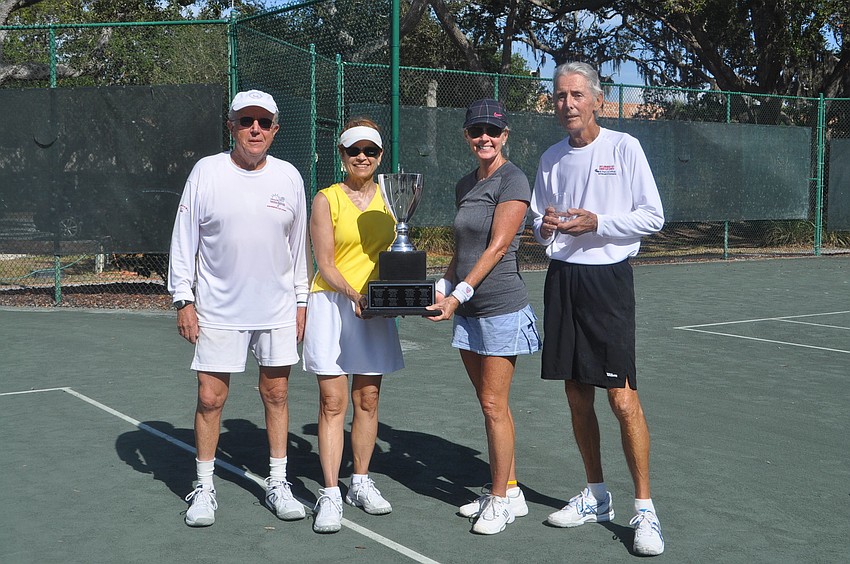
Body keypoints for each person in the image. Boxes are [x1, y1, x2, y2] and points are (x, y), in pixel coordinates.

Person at [529, 62, 666, 555]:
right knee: (576, 394)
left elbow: (653, 216)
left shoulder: (624, 147)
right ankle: (597, 494)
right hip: (563, 280)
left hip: (609, 282)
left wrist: (598, 224)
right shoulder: (549, 158)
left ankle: (645, 509)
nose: (566, 104)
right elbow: (538, 222)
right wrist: (545, 226)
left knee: (622, 399)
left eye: (576, 95)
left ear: (597, 101)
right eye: (560, 96)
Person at [168, 89, 310, 527]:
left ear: (275, 130)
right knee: (210, 398)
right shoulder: (205, 172)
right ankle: (204, 487)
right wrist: (183, 298)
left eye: (263, 122)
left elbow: (299, 246)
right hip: (217, 311)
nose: (255, 129)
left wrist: (302, 300)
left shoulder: (289, 177)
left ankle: (277, 482)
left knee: (278, 394)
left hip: (277, 309)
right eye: (246, 121)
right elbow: (183, 237)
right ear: (231, 125)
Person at [427, 99, 541, 535]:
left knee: (495, 405)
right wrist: (442, 287)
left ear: (505, 135)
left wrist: (457, 296)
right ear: (467, 136)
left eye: (492, 131)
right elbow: (463, 250)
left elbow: (496, 248)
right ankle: (510, 489)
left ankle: (498, 501)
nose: (484, 139)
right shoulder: (464, 184)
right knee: (490, 405)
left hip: (501, 308)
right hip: (468, 308)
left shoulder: (513, 179)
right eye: (476, 131)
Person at [302, 118, 403, 534]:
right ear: (342, 156)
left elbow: (400, 256)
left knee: (368, 400)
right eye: (354, 150)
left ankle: (360, 482)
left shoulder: (393, 197)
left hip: (374, 311)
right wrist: (355, 295)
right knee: (332, 402)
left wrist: (395, 296)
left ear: (380, 156)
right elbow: (325, 262)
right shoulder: (326, 199)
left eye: (371, 151)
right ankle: (329, 493)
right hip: (332, 304)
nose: (362, 157)